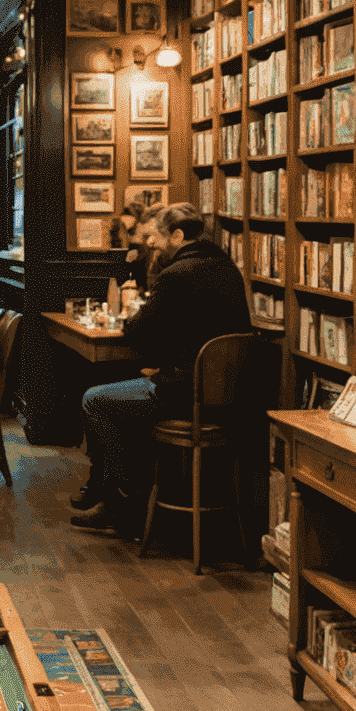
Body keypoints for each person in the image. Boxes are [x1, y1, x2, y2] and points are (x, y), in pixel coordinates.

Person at [72, 202, 250, 533]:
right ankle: (118, 494)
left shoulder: (176, 274)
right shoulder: (229, 270)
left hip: (182, 394)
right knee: (125, 397)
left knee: (94, 399)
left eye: (159, 237)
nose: (154, 244)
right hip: (231, 401)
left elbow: (135, 331)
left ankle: (122, 499)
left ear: (178, 235)